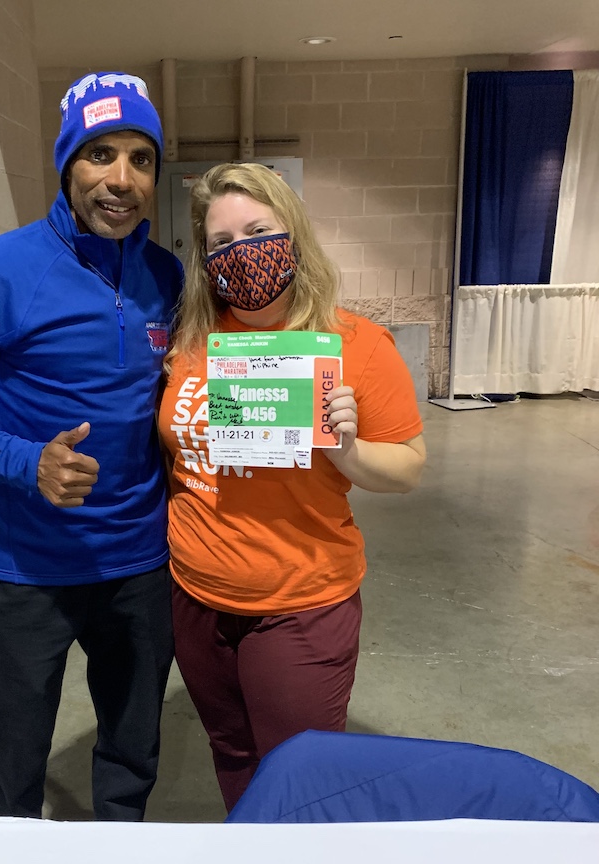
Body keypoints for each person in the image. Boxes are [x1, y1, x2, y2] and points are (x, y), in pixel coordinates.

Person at [0, 72, 182, 821]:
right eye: (99, 155)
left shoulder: (168, 276)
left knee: (132, 754)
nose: (120, 180)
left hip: (139, 567)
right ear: (67, 166)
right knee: (13, 766)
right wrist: (27, 462)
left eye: (140, 158)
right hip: (27, 572)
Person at [158, 162, 426, 813]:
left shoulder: (354, 343)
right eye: (221, 242)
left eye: (257, 231)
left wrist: (351, 452)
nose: (240, 253)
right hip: (196, 595)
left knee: (302, 780)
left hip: (299, 603)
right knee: (233, 754)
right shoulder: (192, 339)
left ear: (293, 234)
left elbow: (411, 464)